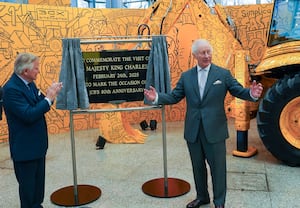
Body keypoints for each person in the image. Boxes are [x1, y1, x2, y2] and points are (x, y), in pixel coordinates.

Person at [144, 39, 263, 208]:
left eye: (208, 52)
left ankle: (219, 202)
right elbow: (174, 96)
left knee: (218, 169)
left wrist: (252, 94)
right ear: (195, 55)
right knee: (198, 167)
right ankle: (202, 197)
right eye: (202, 53)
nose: (207, 55)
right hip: (193, 131)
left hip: (215, 130)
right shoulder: (186, 77)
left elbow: (238, 91)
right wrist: (156, 97)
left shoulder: (223, 74)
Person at [2, 52, 63, 208]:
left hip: (37, 147)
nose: (39, 71)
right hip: (25, 150)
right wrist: (48, 98)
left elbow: (40, 105)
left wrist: (51, 94)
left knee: (37, 191)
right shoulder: (11, 89)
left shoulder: (29, 84)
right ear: (25, 71)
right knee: (28, 194)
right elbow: (28, 114)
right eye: (36, 68)